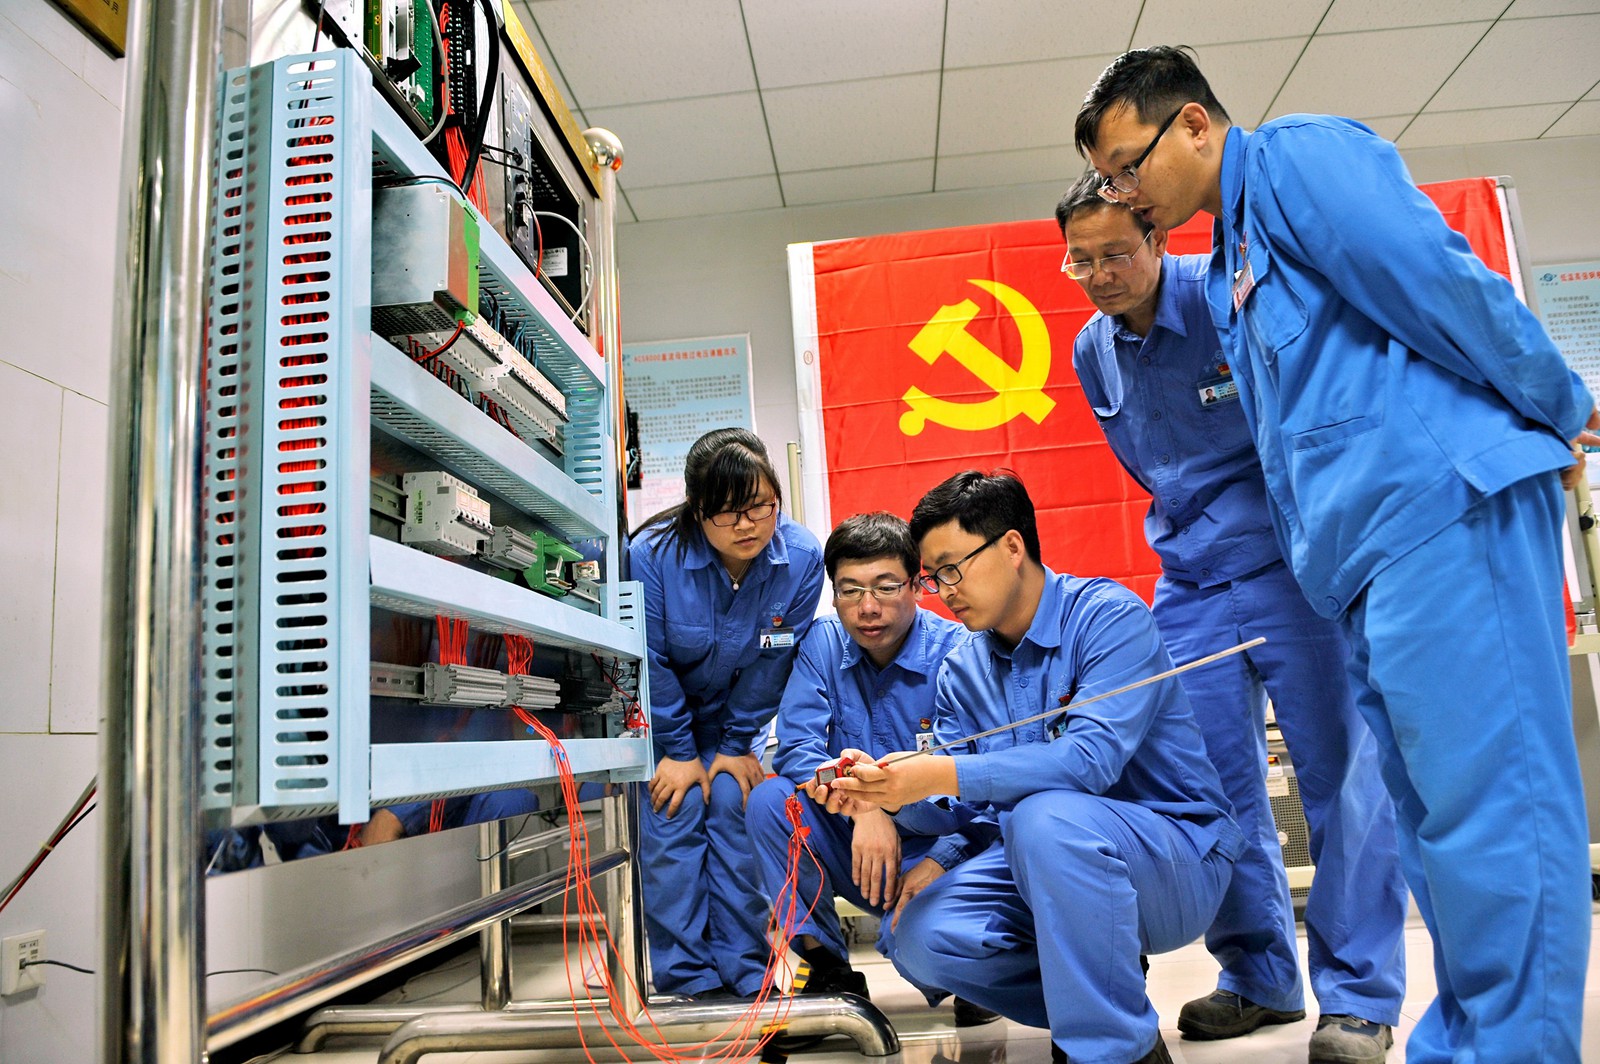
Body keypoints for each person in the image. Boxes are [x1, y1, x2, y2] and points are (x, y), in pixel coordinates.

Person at [1075, 46, 1598, 1064]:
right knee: (1434, 820)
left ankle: (1514, 1047)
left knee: (1491, 807)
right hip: (1365, 557)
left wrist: (1557, 403)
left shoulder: (1295, 161)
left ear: (1193, 123)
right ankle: (1462, 1039)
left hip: (1445, 510)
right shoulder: (1234, 251)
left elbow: (1440, 285)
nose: (1125, 196)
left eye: (1128, 169)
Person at [1055, 173, 1406, 1062]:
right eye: (1080, 261)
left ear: (1159, 236)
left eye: (1115, 254)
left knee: (1340, 782)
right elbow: (1151, 469)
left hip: (1293, 571)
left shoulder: (1228, 301)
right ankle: (1259, 975)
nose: (1099, 276)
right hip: (1190, 584)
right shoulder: (1093, 350)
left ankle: (1359, 996)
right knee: (1210, 789)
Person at [830, 471, 1245, 1064]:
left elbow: (1088, 761)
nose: (944, 592)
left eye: (952, 569)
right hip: (1036, 858)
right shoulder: (963, 668)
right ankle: (1105, 1003)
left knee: (1044, 817)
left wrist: (940, 774)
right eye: (934, 577)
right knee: (918, 936)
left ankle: (1111, 1051)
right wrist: (887, 793)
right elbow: (957, 805)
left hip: (1173, 859)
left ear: (1011, 546)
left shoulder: (1107, 618)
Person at [745, 511, 997, 1026]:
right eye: (850, 590)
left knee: (927, 946)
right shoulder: (822, 642)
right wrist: (866, 809)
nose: (867, 608)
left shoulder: (960, 653)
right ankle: (828, 969)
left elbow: (983, 788)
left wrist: (942, 857)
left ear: (917, 586)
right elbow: (797, 749)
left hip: (943, 849)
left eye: (885, 587)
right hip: (855, 842)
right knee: (771, 801)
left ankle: (975, 970)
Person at [630, 427, 825, 999]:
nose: (747, 525)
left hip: (737, 725)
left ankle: (747, 974)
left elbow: (775, 657)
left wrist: (737, 743)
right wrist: (679, 750)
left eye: (760, 506)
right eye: (727, 512)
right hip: (662, 725)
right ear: (697, 510)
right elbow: (649, 657)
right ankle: (689, 980)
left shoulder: (801, 559)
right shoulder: (652, 556)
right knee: (676, 812)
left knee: (735, 812)